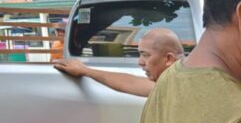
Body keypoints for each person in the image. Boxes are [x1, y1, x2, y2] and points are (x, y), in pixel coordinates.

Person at [54, 28, 184, 97]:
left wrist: (86, 70)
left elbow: (131, 83)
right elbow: (130, 82)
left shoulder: (181, 86)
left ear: (168, 59)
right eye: (139, 54)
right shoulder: (169, 83)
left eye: (146, 55)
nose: (140, 62)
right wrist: (85, 70)